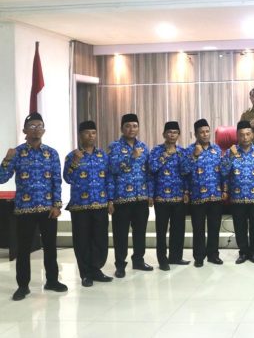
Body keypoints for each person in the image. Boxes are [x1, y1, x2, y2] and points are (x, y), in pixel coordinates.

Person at [0, 113, 67, 301]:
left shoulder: (51, 153)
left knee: (50, 247)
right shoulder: (17, 153)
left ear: (44, 130)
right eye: (32, 126)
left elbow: (56, 181)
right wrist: (6, 160)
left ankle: (52, 281)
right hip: (25, 209)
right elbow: (2, 178)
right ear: (24, 130)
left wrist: (57, 205)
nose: (36, 129)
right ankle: (23, 286)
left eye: (40, 126)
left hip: (48, 209)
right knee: (23, 250)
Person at [64, 120, 114, 287]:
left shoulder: (103, 156)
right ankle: (85, 274)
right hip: (80, 205)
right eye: (87, 133)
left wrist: (110, 200)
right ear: (80, 135)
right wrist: (75, 162)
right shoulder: (72, 156)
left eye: (93, 132)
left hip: (100, 203)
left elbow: (109, 179)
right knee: (82, 241)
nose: (91, 136)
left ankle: (96, 269)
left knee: (100, 239)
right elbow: (68, 178)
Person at [107, 113, 153, 278]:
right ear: (122, 128)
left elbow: (148, 173)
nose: (131, 129)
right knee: (120, 234)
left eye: (134, 126)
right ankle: (120, 265)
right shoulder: (114, 147)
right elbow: (112, 169)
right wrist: (130, 157)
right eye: (127, 126)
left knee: (140, 232)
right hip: (121, 198)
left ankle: (138, 260)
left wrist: (150, 194)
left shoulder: (143, 147)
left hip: (141, 197)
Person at [182, 119, 228, 267]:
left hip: (215, 195)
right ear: (196, 134)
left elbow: (223, 172)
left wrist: (225, 189)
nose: (205, 134)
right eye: (201, 132)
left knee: (214, 227)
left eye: (207, 131)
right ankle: (199, 257)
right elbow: (184, 171)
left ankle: (213, 255)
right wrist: (194, 156)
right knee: (198, 228)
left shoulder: (217, 150)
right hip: (197, 196)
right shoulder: (189, 150)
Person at [149, 121, 190, 270]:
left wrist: (186, 191)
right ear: (164, 134)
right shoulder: (156, 150)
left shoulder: (182, 151)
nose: (172, 135)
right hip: (161, 197)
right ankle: (162, 260)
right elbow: (152, 169)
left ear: (178, 135)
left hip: (178, 196)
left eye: (175, 132)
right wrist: (165, 155)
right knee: (161, 231)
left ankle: (176, 257)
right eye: (169, 132)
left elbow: (186, 172)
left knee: (178, 229)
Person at [226, 120, 254, 264]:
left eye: (248, 134)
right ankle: (243, 253)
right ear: (237, 136)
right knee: (239, 227)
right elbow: (223, 172)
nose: (245, 137)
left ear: (252, 135)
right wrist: (230, 157)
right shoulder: (231, 152)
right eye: (241, 134)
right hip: (237, 197)